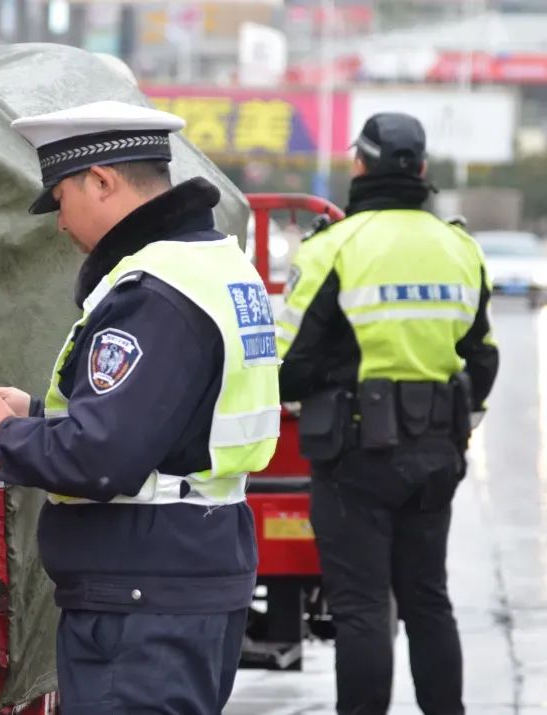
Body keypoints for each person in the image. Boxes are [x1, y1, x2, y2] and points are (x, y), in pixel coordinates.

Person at [0, 100, 281, 714]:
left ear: (101, 181)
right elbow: (167, 426)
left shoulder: (154, 291)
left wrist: (3, 436)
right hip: (189, 569)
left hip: (142, 596)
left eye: (60, 200)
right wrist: (31, 415)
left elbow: (102, 459)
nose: (59, 224)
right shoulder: (217, 265)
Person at [275, 113, 499, 715]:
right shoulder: (461, 248)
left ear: (359, 166)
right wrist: (451, 421)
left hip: (354, 456)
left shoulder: (333, 248)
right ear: (421, 170)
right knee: (428, 600)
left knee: (363, 607)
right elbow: (482, 359)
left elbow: (290, 367)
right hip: (436, 452)